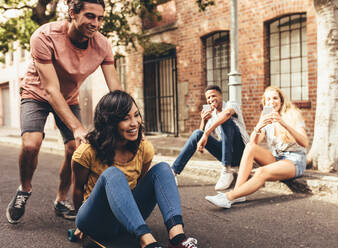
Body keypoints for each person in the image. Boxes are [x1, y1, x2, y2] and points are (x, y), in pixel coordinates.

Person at [6, 0, 122, 224]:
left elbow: (115, 88)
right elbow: (50, 90)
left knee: (74, 148)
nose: (95, 23)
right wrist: (77, 127)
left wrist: (129, 118)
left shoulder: (103, 45)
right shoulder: (45, 36)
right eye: (90, 16)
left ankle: (61, 199)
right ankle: (24, 189)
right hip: (36, 94)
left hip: (68, 98)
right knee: (31, 144)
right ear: (72, 13)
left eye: (100, 18)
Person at [71, 90, 198, 248]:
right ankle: (147, 241)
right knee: (113, 174)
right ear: (109, 122)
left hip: (125, 220)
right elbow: (77, 189)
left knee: (163, 169)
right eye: (125, 118)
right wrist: (81, 226)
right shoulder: (86, 151)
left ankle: (177, 238)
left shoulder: (144, 148)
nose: (134, 123)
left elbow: (140, 184)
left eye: (136, 115)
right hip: (95, 220)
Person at [205, 86, 309, 208]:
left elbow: (304, 142)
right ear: (265, 103)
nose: (272, 102)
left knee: (261, 172)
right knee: (249, 147)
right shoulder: (266, 116)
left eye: (275, 98)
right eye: (268, 99)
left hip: (294, 160)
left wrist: (283, 123)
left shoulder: (292, 114)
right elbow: (253, 143)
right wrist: (258, 127)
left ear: (281, 100)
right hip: (277, 157)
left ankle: (229, 197)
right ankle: (239, 193)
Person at [172, 85, 249, 191]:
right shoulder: (212, 115)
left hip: (242, 152)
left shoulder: (232, 104)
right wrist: (203, 121)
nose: (211, 100)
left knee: (225, 119)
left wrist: (206, 134)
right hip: (226, 153)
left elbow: (226, 114)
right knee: (197, 133)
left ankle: (227, 170)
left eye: (213, 96)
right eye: (208, 98)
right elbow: (201, 137)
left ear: (221, 96)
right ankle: (173, 172)